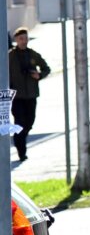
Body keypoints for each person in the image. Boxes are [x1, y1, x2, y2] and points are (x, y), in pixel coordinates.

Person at [9, 27, 50, 162]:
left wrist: (39, 75)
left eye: (26, 38)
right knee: (20, 122)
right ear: (16, 40)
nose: (24, 41)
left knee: (29, 122)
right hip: (17, 96)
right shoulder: (10, 56)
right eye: (21, 39)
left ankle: (19, 140)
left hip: (31, 94)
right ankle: (21, 151)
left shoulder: (33, 55)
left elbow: (46, 68)